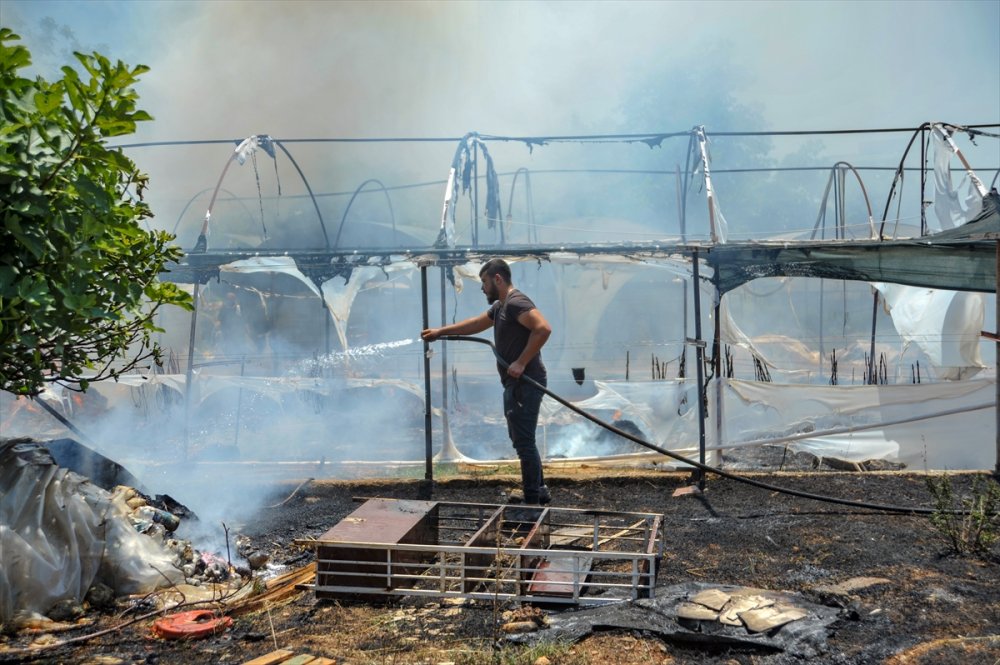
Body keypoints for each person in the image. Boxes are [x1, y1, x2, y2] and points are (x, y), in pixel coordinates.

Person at [422, 259, 553, 505]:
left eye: (484, 282)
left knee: (524, 442)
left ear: (498, 279)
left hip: (526, 381)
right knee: (522, 440)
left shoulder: (516, 302)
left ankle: (533, 501)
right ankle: (538, 489)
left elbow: (543, 329)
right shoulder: (500, 306)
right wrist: (441, 332)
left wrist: (521, 362)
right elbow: (476, 323)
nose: (482, 288)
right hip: (516, 383)